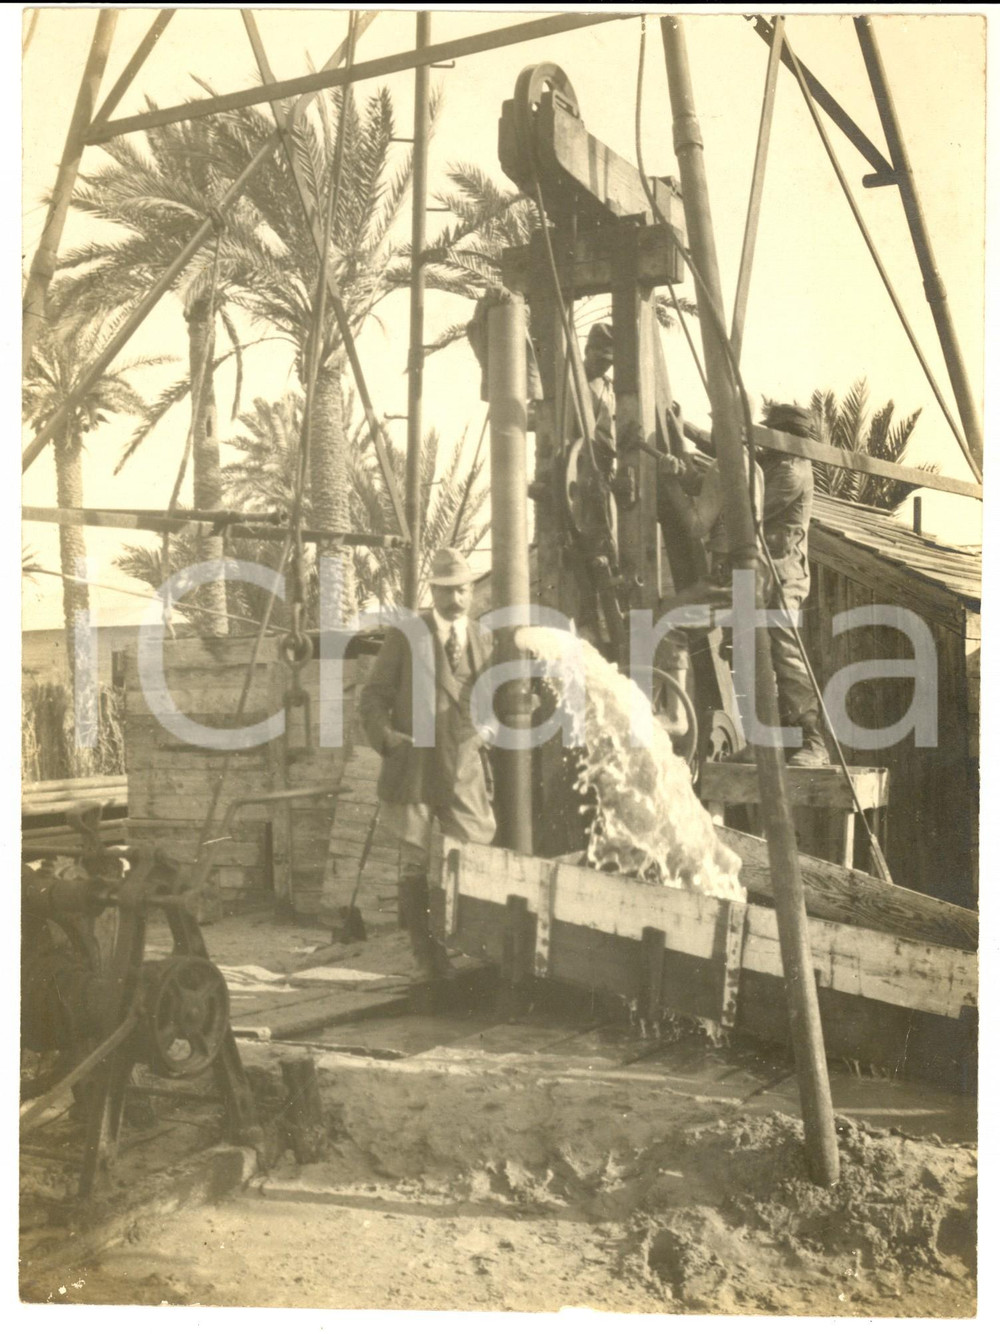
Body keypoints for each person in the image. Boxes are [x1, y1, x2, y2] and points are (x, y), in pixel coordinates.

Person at [657, 402, 828, 766]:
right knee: (742, 650)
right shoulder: (774, 464)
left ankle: (814, 743)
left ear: (787, 437)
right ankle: (760, 742)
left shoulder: (792, 473)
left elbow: (734, 490)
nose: (762, 441)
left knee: (787, 657)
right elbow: (726, 451)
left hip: (783, 577)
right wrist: (682, 426)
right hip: (764, 573)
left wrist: (689, 479)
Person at [359, 548, 497, 980]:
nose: (455, 599)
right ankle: (426, 956)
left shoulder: (484, 638)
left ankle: (469, 949)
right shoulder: (407, 635)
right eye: (445, 590)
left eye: (462, 589)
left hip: (463, 765)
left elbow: (491, 700)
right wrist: (388, 740)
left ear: (472, 591)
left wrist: (487, 732)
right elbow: (373, 696)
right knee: (414, 859)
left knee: (474, 851)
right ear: (432, 592)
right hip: (415, 764)